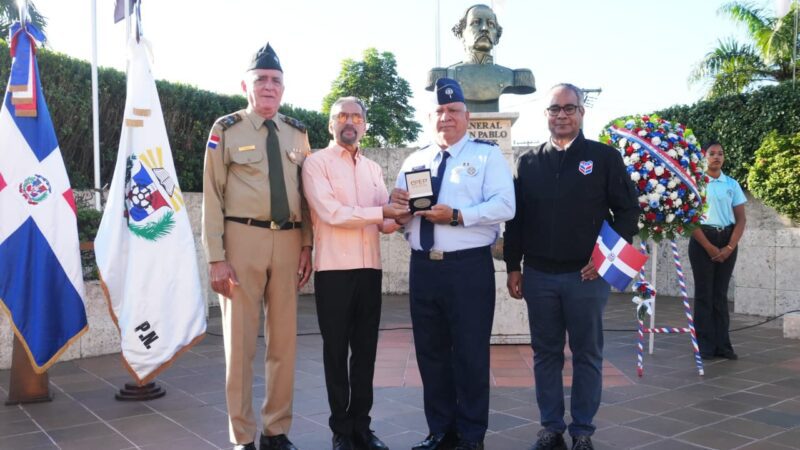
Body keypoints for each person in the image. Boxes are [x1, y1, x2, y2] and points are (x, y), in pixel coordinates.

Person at [503, 83, 639, 450]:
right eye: (554, 108)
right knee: (545, 354)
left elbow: (628, 211)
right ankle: (551, 428)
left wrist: (604, 257)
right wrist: (513, 266)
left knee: (587, 355)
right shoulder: (528, 162)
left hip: (586, 277)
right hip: (539, 277)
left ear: (581, 112)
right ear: (546, 114)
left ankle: (582, 431)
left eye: (569, 108)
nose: (561, 115)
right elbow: (516, 220)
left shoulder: (604, 158)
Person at [391, 78, 515, 450]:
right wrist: (399, 211)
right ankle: (440, 431)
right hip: (423, 268)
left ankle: (471, 436)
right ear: (431, 117)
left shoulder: (486, 156)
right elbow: (400, 215)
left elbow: (505, 205)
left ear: (467, 116)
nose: (446, 117)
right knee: (430, 354)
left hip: (467, 270)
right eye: (440, 111)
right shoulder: (415, 160)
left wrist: (458, 216)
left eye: (453, 110)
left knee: (470, 354)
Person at [202, 42, 312, 450]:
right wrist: (216, 257)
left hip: (289, 241)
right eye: (261, 79)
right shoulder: (226, 129)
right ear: (245, 86)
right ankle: (242, 436)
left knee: (284, 343)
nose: (268, 86)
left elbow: (307, 194)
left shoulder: (298, 133)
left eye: (275, 80)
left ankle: (276, 430)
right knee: (241, 344)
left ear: (283, 88)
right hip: (242, 240)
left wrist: (307, 245)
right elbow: (212, 194)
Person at [301, 97, 406, 450]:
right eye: (342, 116)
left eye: (357, 117)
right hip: (333, 271)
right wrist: (383, 212)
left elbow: (385, 223)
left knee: (365, 351)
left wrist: (406, 212)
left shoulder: (373, 169)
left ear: (364, 124)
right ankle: (341, 430)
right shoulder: (316, 163)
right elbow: (332, 213)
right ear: (331, 124)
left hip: (369, 270)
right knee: (335, 352)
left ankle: (362, 425)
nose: (350, 122)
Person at [689, 141, 746, 361]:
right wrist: (709, 246)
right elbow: (690, 219)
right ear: (704, 157)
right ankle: (705, 345)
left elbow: (741, 219)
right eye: (711, 153)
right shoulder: (696, 183)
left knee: (720, 295)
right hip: (703, 239)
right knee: (704, 294)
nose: (716, 157)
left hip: (727, 239)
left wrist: (730, 246)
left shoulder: (731, 184)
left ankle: (723, 345)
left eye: (720, 153)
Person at [425, 4, 534, 113]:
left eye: (491, 24)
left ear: (496, 37)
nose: (484, 28)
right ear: (461, 33)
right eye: (476, 22)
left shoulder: (515, 77)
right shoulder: (443, 76)